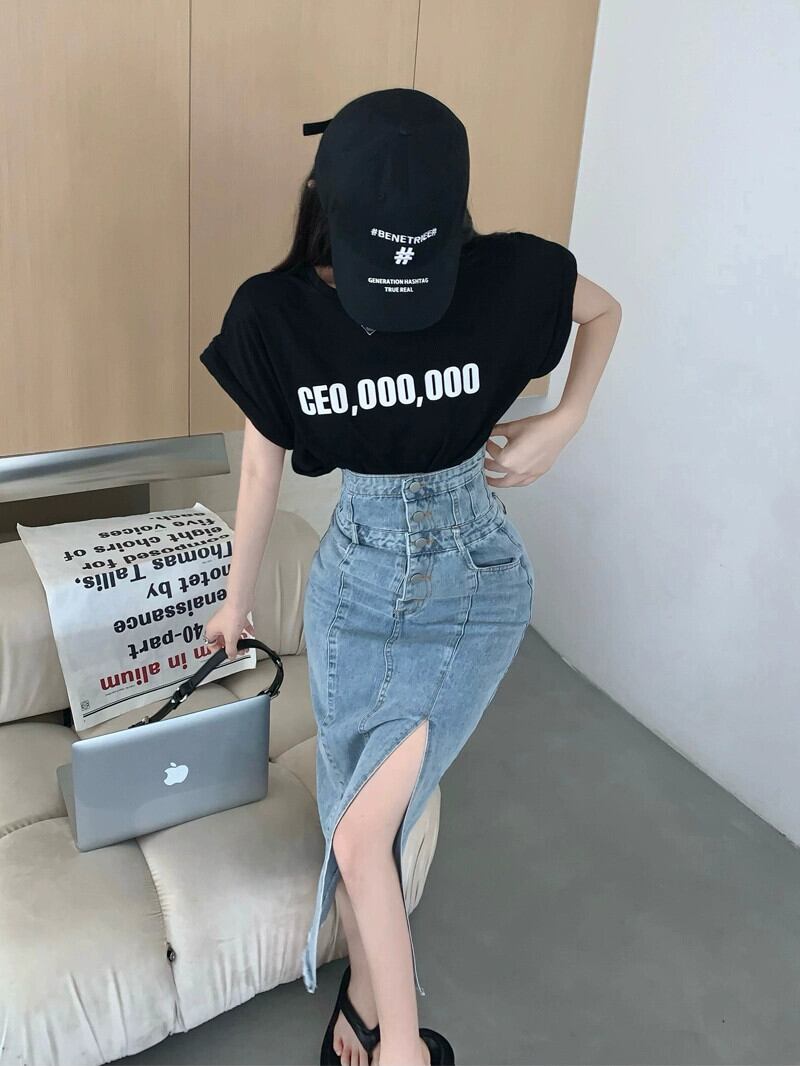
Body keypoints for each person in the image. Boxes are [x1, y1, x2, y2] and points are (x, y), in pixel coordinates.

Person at [200, 87, 621, 1066]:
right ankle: (363, 987)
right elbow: (260, 465)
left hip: (467, 585)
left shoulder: (505, 274)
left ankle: (400, 1045)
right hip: (349, 581)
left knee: (356, 834)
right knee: (349, 808)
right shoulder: (276, 315)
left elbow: (602, 312)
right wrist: (233, 602)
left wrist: (564, 419)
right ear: (328, 205)